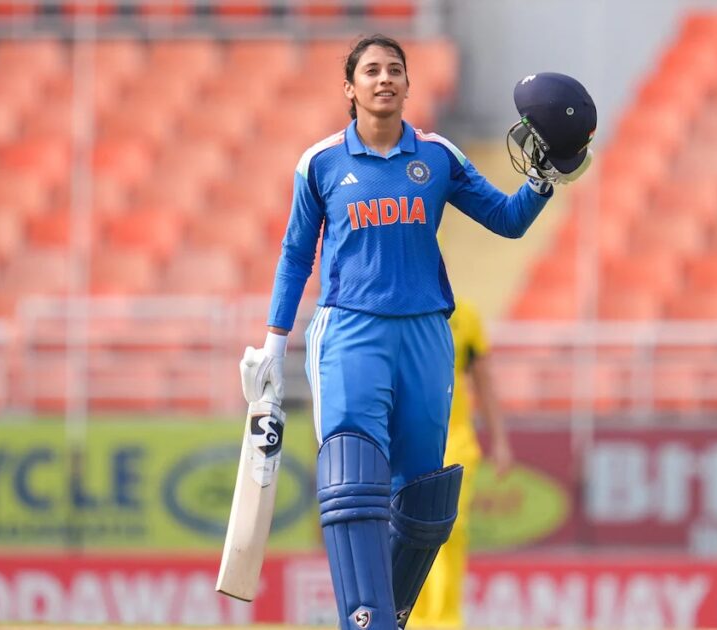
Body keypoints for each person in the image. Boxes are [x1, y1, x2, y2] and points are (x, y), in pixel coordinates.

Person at [238, 36, 595, 630]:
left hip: (428, 334)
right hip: (350, 331)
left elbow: (505, 221)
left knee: (426, 500)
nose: (384, 78)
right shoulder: (321, 162)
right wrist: (274, 343)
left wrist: (542, 180)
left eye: (395, 70)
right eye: (371, 71)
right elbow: (296, 255)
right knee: (354, 479)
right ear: (350, 88)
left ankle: (385, 618)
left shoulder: (438, 156)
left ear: (408, 85)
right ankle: (366, 618)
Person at [410, 301, 513, 629]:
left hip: (456, 441)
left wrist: (500, 440)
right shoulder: (405, 309)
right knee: (409, 526)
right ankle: (413, 615)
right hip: (411, 439)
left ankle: (445, 618)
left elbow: (483, 382)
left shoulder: (466, 317)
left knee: (451, 529)